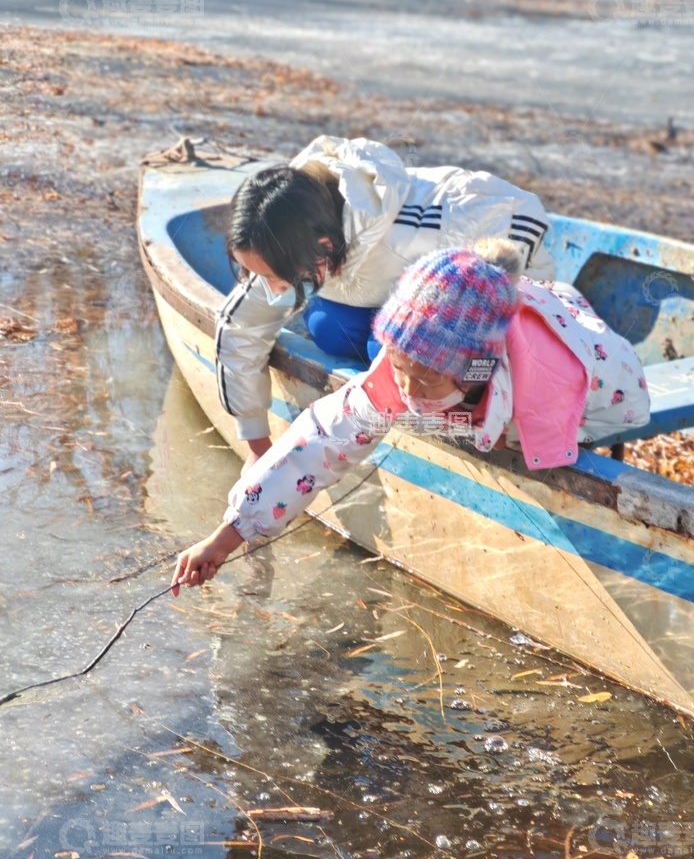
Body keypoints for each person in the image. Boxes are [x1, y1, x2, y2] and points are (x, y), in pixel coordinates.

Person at [171, 240, 650, 594]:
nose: (406, 392)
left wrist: (511, 437)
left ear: (474, 372)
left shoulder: (549, 385)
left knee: (537, 439)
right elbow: (318, 442)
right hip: (496, 347)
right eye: (400, 370)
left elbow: (610, 414)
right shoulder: (411, 358)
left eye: (424, 384)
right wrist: (226, 536)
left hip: (598, 382)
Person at [217, 134, 553, 473]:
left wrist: (489, 402)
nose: (270, 289)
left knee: (392, 351)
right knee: (325, 325)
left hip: (494, 295)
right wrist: (257, 444)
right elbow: (240, 328)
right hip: (391, 298)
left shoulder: (443, 221)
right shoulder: (285, 235)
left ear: (324, 246)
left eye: (275, 276)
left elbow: (520, 230)